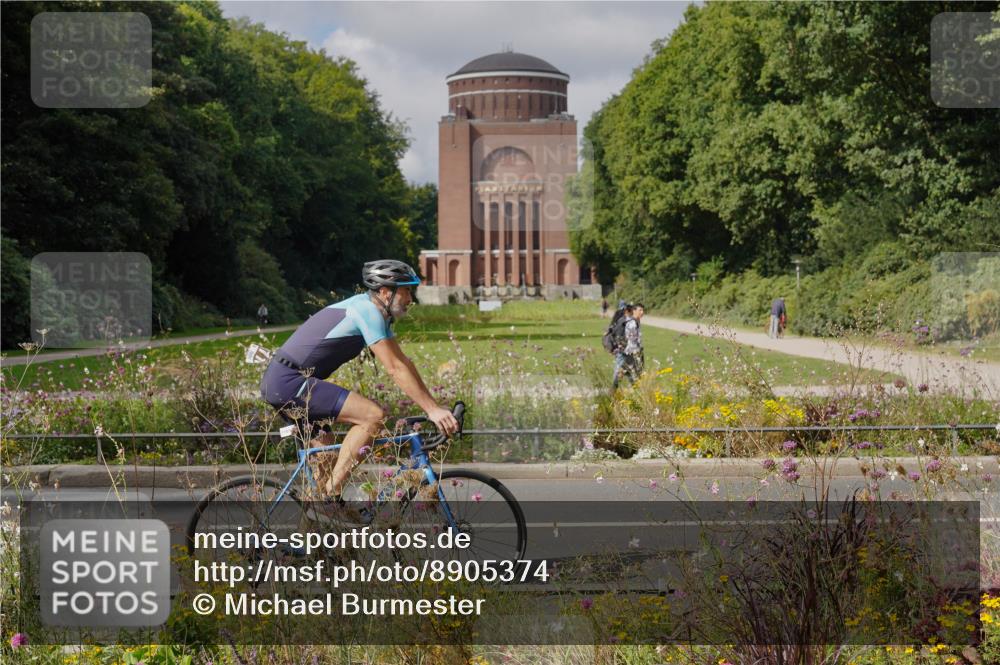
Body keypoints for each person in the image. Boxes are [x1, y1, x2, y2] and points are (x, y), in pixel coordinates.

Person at [259, 259, 459, 513]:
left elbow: (403, 363)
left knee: (325, 477)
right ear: (386, 292)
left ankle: (315, 538)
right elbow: (394, 369)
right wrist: (432, 411)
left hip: (289, 383)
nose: (411, 298)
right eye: (407, 290)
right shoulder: (366, 311)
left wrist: (434, 405)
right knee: (372, 417)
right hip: (289, 382)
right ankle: (329, 496)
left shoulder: (376, 314)